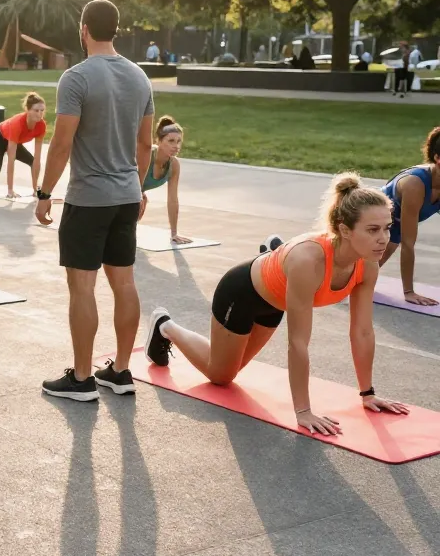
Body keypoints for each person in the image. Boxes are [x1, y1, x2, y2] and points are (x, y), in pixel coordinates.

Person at [144, 173, 409, 436]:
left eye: (386, 228)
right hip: (241, 293)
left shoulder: (368, 264)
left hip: (275, 302)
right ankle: (166, 326)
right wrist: (303, 411)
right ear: (344, 230)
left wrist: (368, 394)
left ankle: (275, 251)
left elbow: (362, 332)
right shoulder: (310, 261)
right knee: (220, 376)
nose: (383, 238)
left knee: (228, 373)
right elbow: (298, 343)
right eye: (372, 230)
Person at [35, 0, 154, 401]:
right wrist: (137, 189)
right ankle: (120, 371)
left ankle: (83, 378)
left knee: (82, 288)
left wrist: (44, 192)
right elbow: (145, 144)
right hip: (125, 196)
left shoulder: (76, 77)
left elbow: (62, 142)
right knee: (124, 283)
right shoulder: (140, 77)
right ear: (115, 29)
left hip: (88, 199)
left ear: (83, 28)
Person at [379, 128, 440, 306]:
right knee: (353, 274)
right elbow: (408, 243)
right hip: (372, 220)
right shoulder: (416, 184)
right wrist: (409, 292)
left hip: (393, 227)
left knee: (364, 275)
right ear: (437, 158)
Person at [0, 92, 46, 199]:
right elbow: (11, 160)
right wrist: (10, 191)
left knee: (33, 161)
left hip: (14, 140)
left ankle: (34, 188)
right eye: (36, 110)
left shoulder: (41, 126)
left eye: (42, 110)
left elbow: (37, 159)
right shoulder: (18, 123)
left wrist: (35, 190)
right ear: (27, 110)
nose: (40, 114)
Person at [139, 115, 191, 244]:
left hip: (134, 192)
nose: (176, 146)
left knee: (140, 201)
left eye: (179, 141)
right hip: (114, 187)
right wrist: (139, 195)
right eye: (171, 141)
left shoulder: (174, 165)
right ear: (158, 141)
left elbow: (172, 199)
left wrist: (174, 233)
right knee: (139, 201)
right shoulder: (146, 155)